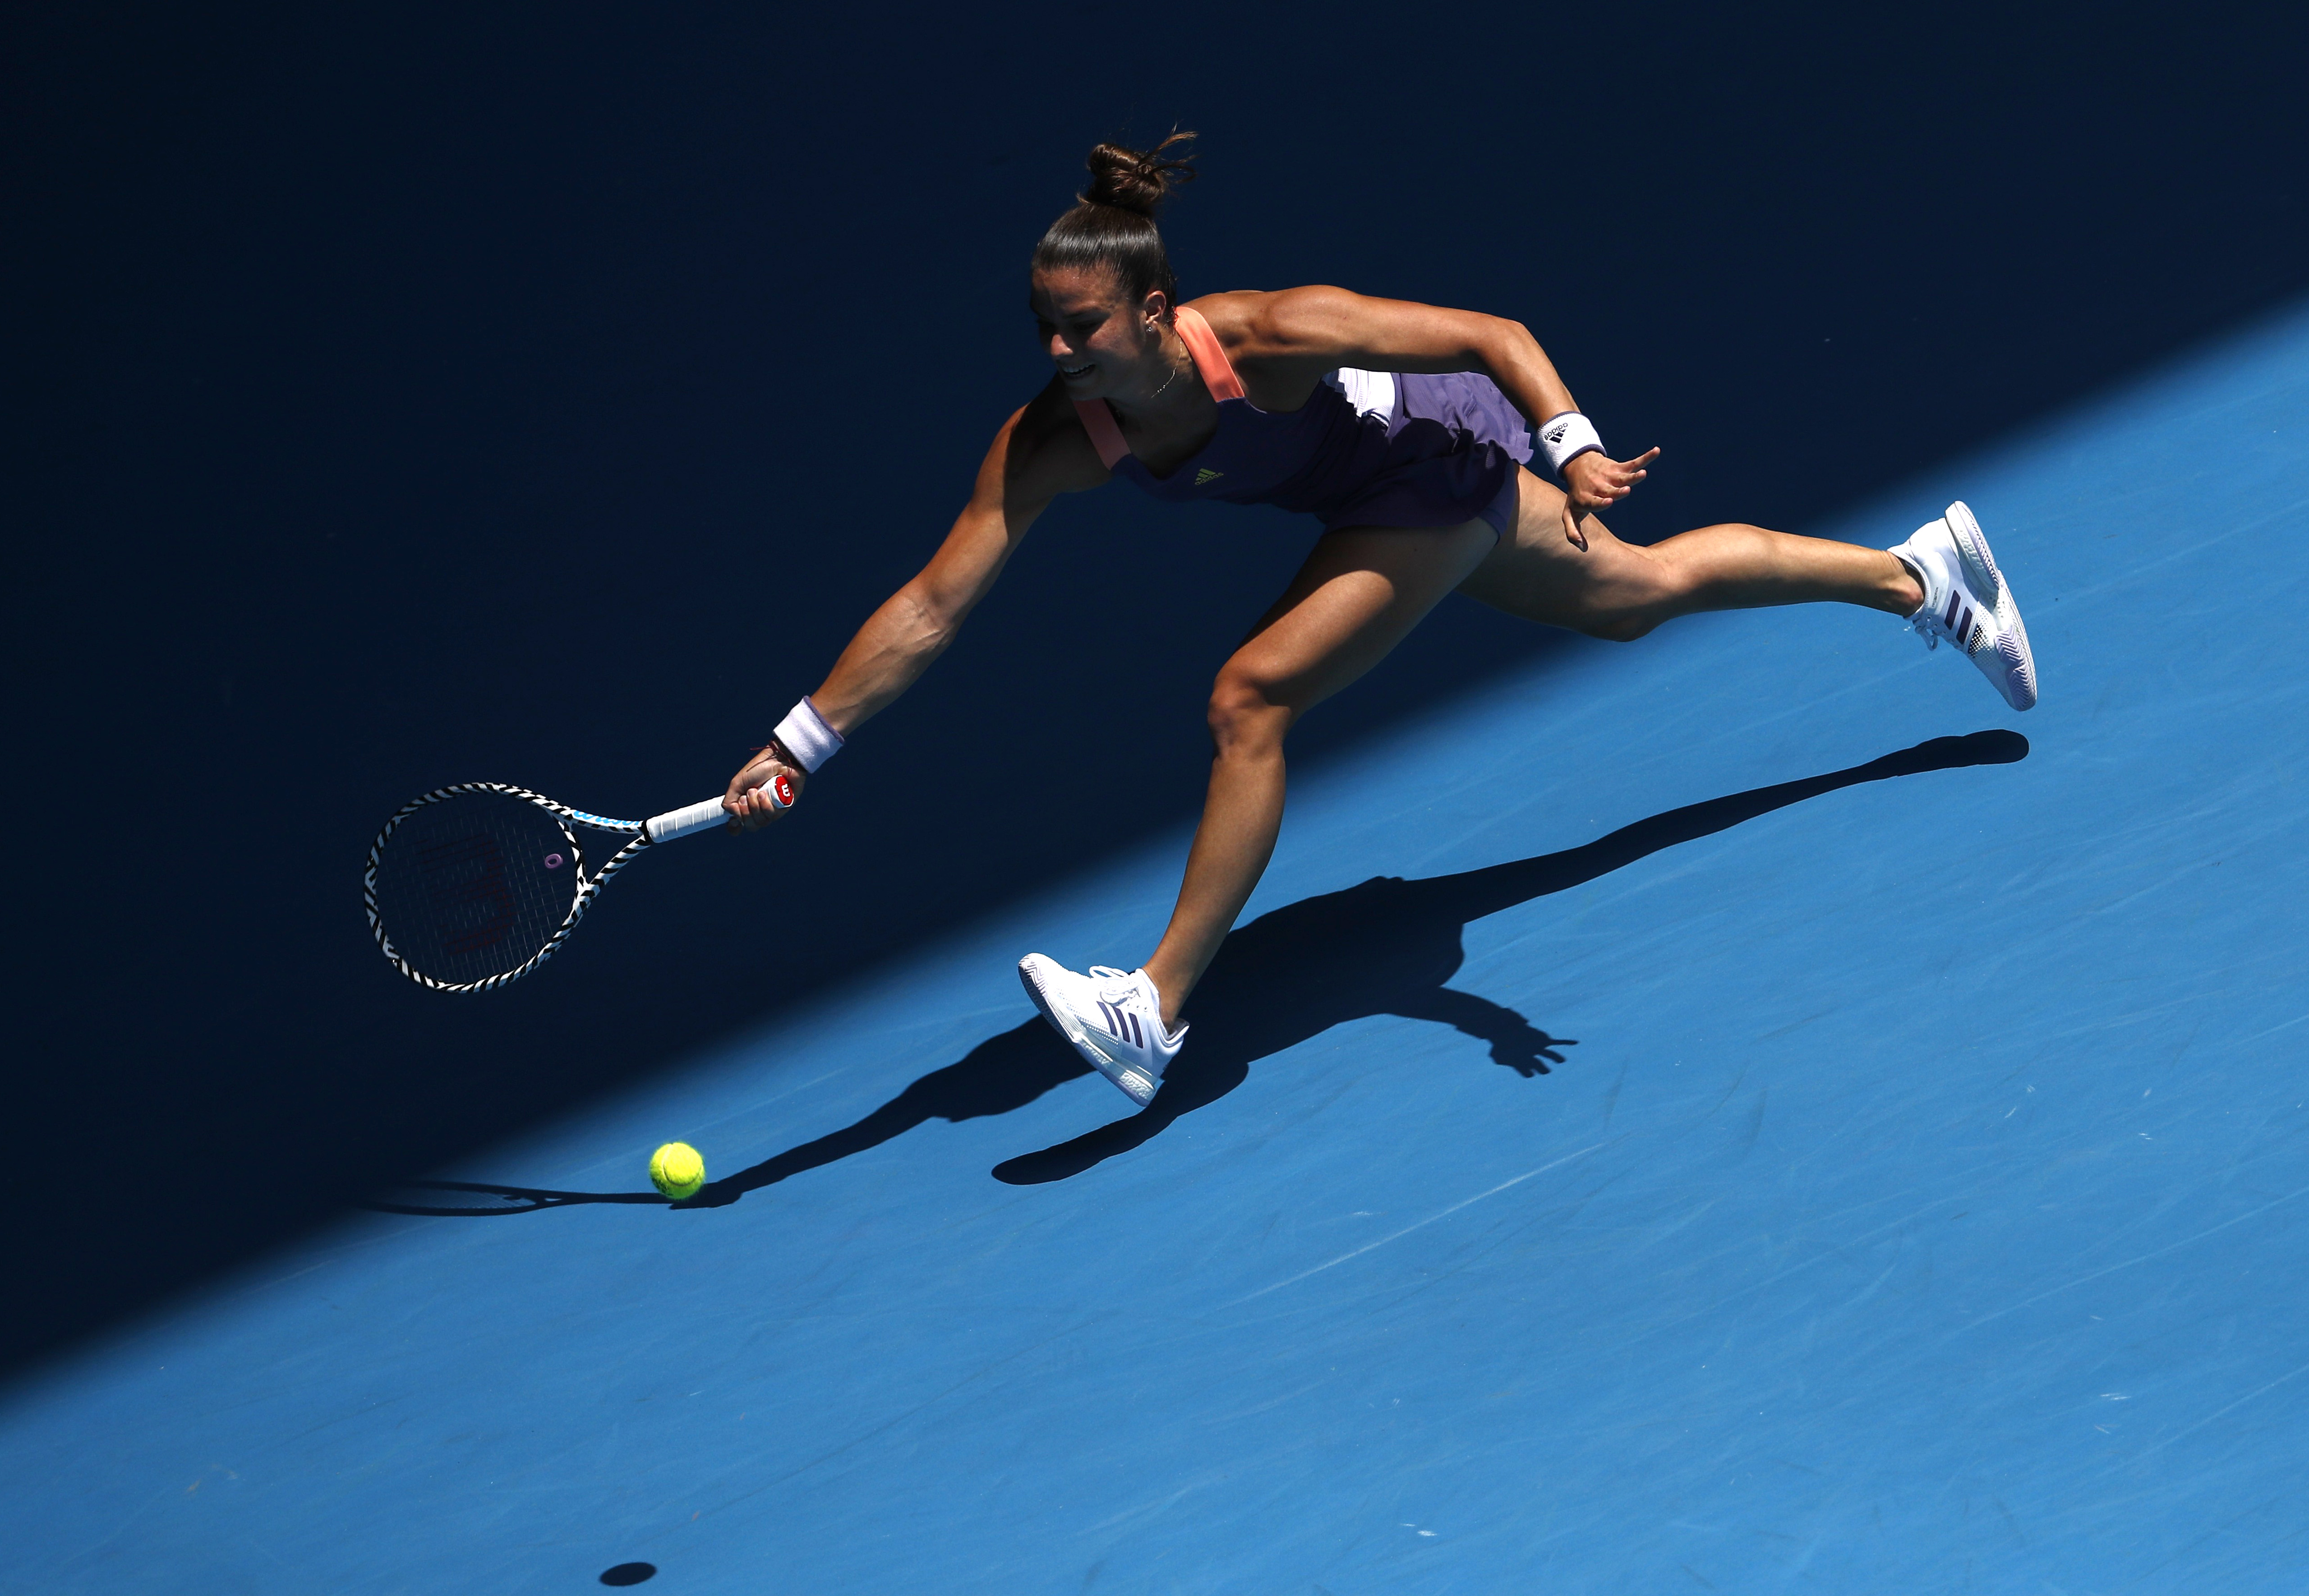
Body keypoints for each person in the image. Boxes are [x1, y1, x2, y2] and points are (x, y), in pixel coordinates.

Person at [721, 133, 2036, 1110]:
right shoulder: (1061, 437)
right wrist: (803, 743)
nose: (1057, 355)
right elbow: (935, 604)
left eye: (1080, 329)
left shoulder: (1278, 336)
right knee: (1640, 597)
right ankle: (1925, 578)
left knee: (1252, 698)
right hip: (1374, 506)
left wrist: (1568, 445)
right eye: (1043, 332)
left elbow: (1490, 335)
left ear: (1155, 312)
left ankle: (1155, 1007)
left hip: (1436, 471)